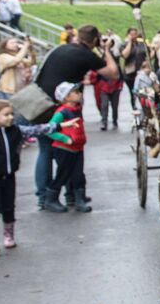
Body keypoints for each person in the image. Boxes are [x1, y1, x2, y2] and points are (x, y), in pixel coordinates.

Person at [31, 25, 119, 209]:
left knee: (46, 151)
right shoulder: (85, 55)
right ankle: (54, 196)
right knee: (64, 152)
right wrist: (106, 50)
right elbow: (113, 73)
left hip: (39, 103)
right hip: (59, 109)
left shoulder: (61, 48)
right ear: (94, 39)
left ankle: (56, 195)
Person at [0, 99, 57, 254]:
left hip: (9, 176)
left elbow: (37, 129)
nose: (11, 117)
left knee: (9, 206)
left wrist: (59, 126)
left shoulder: (17, 130)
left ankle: (9, 236)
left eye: (11, 114)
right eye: (6, 115)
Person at [41, 82, 88, 213]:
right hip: (64, 149)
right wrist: (65, 139)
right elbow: (50, 130)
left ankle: (79, 199)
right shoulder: (62, 113)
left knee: (78, 174)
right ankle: (51, 199)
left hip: (78, 147)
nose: (80, 94)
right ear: (66, 97)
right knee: (63, 174)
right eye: (76, 92)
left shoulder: (77, 109)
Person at [92, 33, 125, 131]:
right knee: (104, 104)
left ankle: (114, 120)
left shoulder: (114, 58)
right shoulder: (100, 59)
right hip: (104, 86)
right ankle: (104, 121)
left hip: (115, 85)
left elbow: (119, 73)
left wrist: (120, 85)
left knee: (115, 105)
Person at [120, 28, 148, 107]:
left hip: (141, 71)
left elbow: (147, 55)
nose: (133, 36)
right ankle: (134, 107)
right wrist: (129, 42)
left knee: (143, 91)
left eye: (135, 34)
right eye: (131, 34)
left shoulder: (141, 44)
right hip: (130, 73)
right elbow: (125, 55)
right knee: (133, 92)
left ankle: (144, 108)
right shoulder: (124, 44)